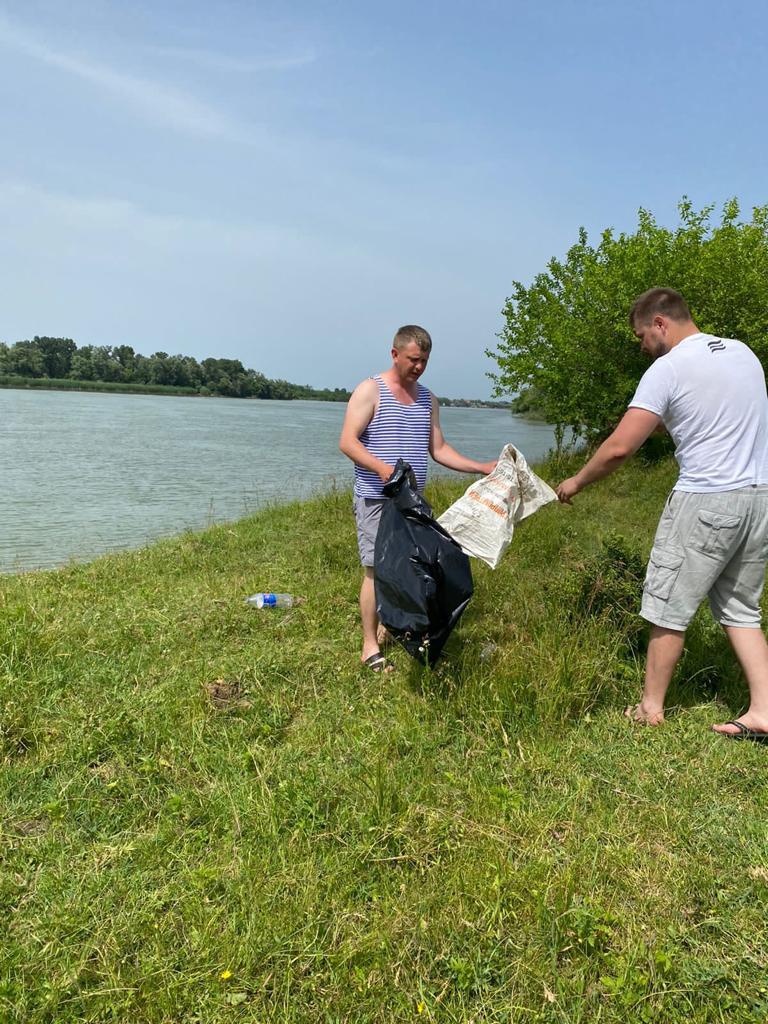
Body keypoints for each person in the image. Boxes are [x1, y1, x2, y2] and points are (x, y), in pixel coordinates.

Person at [556, 287, 768, 741]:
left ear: (660, 323)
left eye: (640, 336)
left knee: (669, 605)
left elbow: (618, 448)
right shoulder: (741, 353)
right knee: (740, 608)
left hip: (706, 498)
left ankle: (650, 708)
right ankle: (763, 710)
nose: (641, 346)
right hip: (758, 498)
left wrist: (574, 482)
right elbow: (711, 419)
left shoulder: (667, 368)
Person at [339, 325, 497, 671]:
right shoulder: (371, 391)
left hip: (412, 503)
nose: (419, 367)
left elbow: (439, 450)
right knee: (375, 569)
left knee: (409, 569)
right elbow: (348, 442)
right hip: (376, 499)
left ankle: (392, 625)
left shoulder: (428, 399)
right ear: (394, 354)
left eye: (424, 360)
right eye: (413, 359)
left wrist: (480, 466)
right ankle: (369, 646)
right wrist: (383, 470)